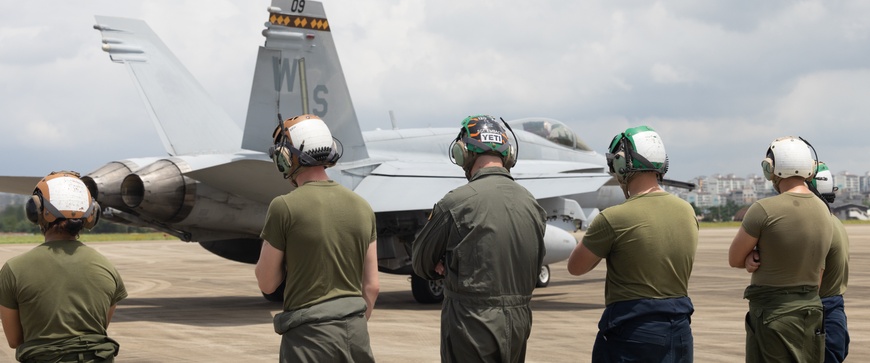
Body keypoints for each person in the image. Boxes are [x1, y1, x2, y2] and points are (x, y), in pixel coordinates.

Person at [411, 114, 546, 363]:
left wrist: (443, 264)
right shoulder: (532, 205)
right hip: (519, 322)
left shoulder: (455, 202)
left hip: (471, 323)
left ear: (464, 153)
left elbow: (420, 263)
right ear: (509, 155)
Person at [567, 125, 699, 363]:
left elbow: (575, 267)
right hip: (679, 330)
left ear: (620, 164)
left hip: (632, 333)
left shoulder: (613, 218)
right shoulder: (687, 211)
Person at [255, 114, 379, 363]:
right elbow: (372, 286)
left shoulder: (284, 207)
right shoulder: (363, 207)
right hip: (356, 334)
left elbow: (267, 283)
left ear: (289, 157)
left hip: (308, 339)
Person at [0, 171, 128, 362]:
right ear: (92, 214)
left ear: (35, 211)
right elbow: (99, 328)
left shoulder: (13, 270)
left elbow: (15, 340)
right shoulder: (107, 268)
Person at [728, 136, 833, 363]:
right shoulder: (825, 211)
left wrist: (751, 255)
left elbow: (734, 258)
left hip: (774, 316)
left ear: (772, 169)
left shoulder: (763, 209)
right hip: (811, 313)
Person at [810, 163, 850, 363]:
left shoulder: (819, 226)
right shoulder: (833, 221)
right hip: (833, 311)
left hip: (819, 313)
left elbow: (814, 278)